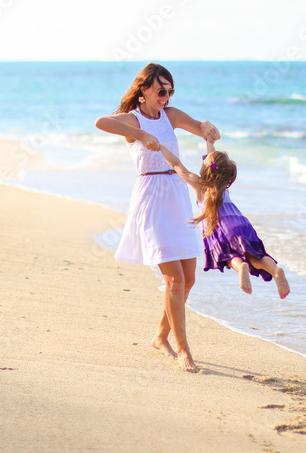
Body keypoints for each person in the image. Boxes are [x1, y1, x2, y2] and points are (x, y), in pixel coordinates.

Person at [94, 63, 219, 373]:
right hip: (151, 200)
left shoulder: (170, 115)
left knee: (188, 279)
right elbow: (101, 122)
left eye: (170, 91)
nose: (166, 96)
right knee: (174, 279)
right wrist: (139, 134)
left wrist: (207, 127)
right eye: (161, 90)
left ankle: (160, 337)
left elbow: (200, 128)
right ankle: (183, 349)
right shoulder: (132, 119)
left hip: (178, 196)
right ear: (144, 89)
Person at [156, 140, 290, 300]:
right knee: (256, 256)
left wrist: (161, 147)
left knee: (228, 256)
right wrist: (209, 141)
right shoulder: (223, 187)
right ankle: (275, 271)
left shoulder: (199, 185)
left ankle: (240, 267)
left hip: (221, 227)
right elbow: (214, 160)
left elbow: (177, 164)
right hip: (241, 222)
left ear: (207, 169)